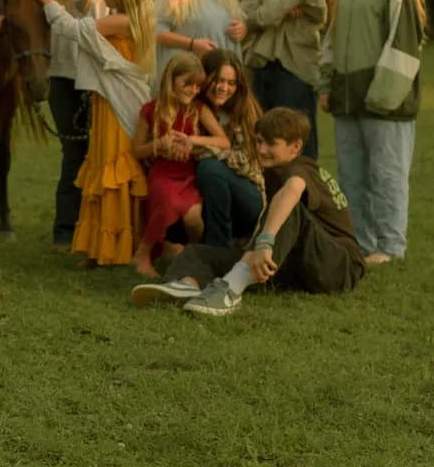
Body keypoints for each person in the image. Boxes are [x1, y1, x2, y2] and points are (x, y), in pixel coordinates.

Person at [130, 107, 366, 316]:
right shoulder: (276, 168)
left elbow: (293, 190)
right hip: (303, 265)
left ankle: (230, 290)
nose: (262, 150)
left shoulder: (300, 168)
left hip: (340, 267)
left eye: (271, 144)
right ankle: (186, 285)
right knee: (198, 252)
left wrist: (263, 244)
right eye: (259, 141)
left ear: (296, 146)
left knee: (288, 209)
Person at [319, 0, 427, 265]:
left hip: (384, 99)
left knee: (387, 173)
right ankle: (361, 243)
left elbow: (406, 39)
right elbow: (332, 38)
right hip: (346, 98)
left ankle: (390, 245)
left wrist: (383, 96)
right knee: (352, 175)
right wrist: (327, 85)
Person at [29, 0, 154, 268]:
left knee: (114, 167)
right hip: (107, 101)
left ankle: (117, 247)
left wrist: (48, 0)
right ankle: (101, 245)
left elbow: (71, 29)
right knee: (102, 164)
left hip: (117, 105)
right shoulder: (129, 20)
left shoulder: (122, 21)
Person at [42, 0, 125, 249]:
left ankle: (105, 227)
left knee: (106, 150)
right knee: (73, 150)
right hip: (63, 71)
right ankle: (65, 230)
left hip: (102, 71)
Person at [231, 0, 330, 159]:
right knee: (262, 139)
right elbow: (246, 8)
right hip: (262, 68)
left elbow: (270, 12)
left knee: (294, 142)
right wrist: (265, 15)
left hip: (295, 71)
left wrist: (253, 23)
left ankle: (303, 194)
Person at [132, 53, 229, 278]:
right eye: (188, 84)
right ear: (171, 80)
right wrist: (158, 144)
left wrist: (192, 140)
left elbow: (223, 141)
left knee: (195, 219)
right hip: (162, 174)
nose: (193, 90)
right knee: (166, 202)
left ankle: (190, 255)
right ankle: (143, 254)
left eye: (198, 86)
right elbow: (137, 150)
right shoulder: (150, 110)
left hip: (187, 175)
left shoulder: (198, 110)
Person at [194, 49, 264, 248]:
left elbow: (246, 161)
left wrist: (201, 149)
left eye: (231, 83)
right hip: (208, 197)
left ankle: (218, 248)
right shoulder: (194, 108)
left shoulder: (245, 111)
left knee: (210, 168)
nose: (223, 88)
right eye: (217, 80)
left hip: (247, 192)